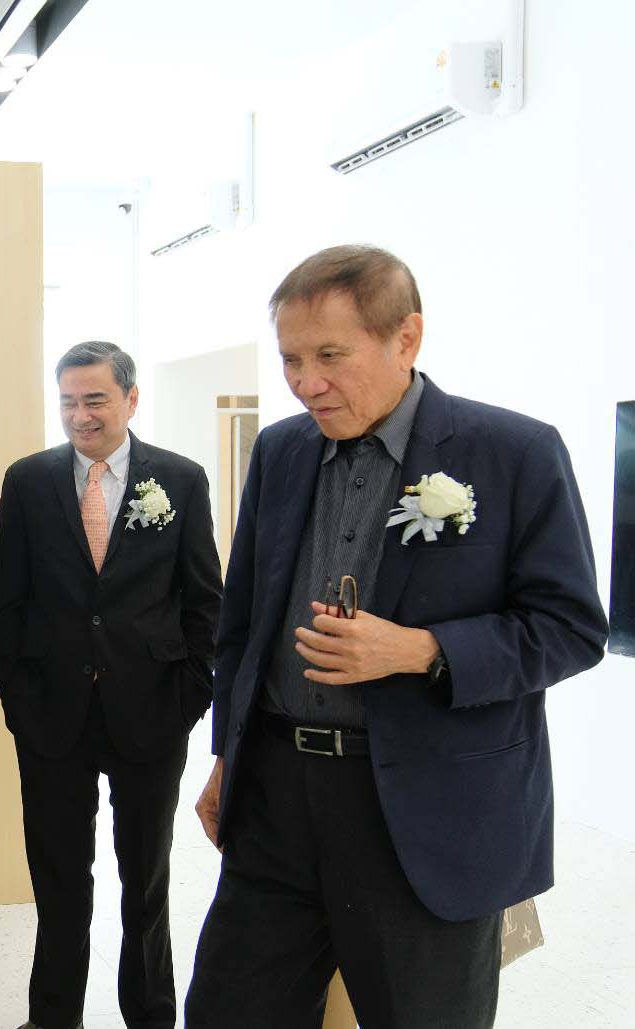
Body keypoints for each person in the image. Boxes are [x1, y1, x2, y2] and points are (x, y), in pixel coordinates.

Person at [186, 245, 609, 1028]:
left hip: (426, 809)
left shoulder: (514, 452)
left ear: (405, 338)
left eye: (328, 356)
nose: (305, 382)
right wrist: (226, 756)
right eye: (290, 359)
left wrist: (421, 650)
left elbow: (570, 627)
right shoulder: (279, 451)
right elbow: (242, 624)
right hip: (275, 795)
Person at [0, 341, 222, 1029]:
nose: (79, 415)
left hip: (151, 712)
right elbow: (9, 604)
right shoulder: (27, 481)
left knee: (145, 882)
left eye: (94, 399)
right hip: (50, 716)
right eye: (67, 401)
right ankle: (52, 1017)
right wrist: (19, 699)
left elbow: (204, 601)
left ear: (130, 399)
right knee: (58, 882)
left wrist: (188, 696)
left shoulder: (179, 480)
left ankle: (149, 1016)